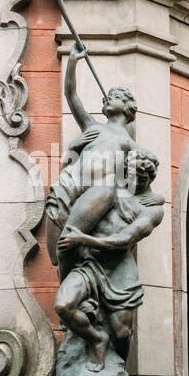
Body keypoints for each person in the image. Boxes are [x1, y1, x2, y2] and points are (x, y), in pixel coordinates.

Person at [54, 148, 164, 372]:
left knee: (122, 334)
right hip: (90, 265)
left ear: (150, 179)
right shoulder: (108, 188)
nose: (135, 183)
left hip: (120, 270)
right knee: (63, 305)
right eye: (132, 177)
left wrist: (83, 239)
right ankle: (97, 340)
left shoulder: (154, 209)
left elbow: (125, 239)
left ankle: (117, 374)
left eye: (142, 180)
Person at [46, 42, 139, 281]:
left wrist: (125, 200)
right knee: (55, 241)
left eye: (116, 96)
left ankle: (68, 292)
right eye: (109, 96)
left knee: (67, 242)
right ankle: (68, 288)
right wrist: (73, 62)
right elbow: (71, 95)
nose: (109, 98)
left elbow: (135, 178)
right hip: (72, 181)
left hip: (98, 190)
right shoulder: (92, 126)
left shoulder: (130, 143)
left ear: (128, 108)